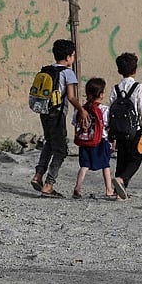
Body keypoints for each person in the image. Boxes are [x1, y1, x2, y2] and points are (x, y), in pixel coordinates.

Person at [30, 39, 88, 198]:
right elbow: (71, 97)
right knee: (61, 150)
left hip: (44, 113)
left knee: (49, 143)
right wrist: (81, 110)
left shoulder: (47, 69)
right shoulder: (68, 73)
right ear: (69, 57)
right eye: (73, 56)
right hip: (57, 115)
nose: (73, 59)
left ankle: (38, 175)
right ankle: (48, 184)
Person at [109, 52, 142, 200]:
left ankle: (118, 193)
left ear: (119, 70)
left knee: (121, 159)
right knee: (135, 158)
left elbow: (111, 110)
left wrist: (111, 132)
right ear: (135, 70)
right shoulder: (138, 87)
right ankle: (122, 180)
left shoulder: (115, 88)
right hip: (134, 130)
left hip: (119, 131)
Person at [72, 77, 116, 200]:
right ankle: (109, 189)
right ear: (101, 94)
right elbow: (108, 126)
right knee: (105, 166)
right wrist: (113, 141)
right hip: (100, 141)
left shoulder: (80, 110)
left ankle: (78, 187)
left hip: (84, 142)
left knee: (84, 166)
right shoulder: (104, 109)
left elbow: (74, 123)